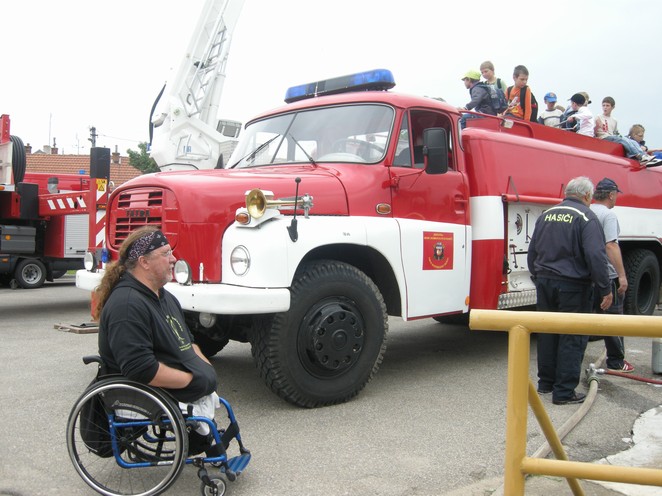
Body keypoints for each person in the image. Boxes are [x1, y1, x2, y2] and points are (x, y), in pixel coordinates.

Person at [94, 226, 219, 452]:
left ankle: (202, 441)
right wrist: (192, 380)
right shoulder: (127, 305)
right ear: (144, 262)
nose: (173, 259)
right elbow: (141, 369)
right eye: (165, 254)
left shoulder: (165, 297)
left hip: (172, 382)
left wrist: (205, 368)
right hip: (138, 390)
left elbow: (188, 342)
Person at [527, 176, 613, 405]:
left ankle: (546, 383)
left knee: (547, 333)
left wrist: (538, 277)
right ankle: (564, 391)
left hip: (545, 282)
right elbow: (596, 255)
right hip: (574, 286)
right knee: (572, 337)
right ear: (587, 196)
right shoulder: (587, 217)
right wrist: (605, 288)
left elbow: (532, 250)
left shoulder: (547, 214)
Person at [590, 178, 634, 373]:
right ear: (610, 194)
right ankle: (616, 361)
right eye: (616, 194)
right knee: (614, 318)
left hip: (587, 275)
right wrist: (622, 276)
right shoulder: (608, 215)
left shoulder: (587, 210)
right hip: (607, 274)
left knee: (588, 319)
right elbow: (611, 245)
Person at [594, 97, 660, 165]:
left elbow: (615, 133)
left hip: (612, 137)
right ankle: (638, 155)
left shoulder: (614, 120)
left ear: (612, 107)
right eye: (603, 105)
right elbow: (593, 131)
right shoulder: (598, 117)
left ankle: (644, 156)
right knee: (622, 139)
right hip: (603, 137)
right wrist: (597, 127)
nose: (605, 107)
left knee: (631, 141)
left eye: (607, 105)